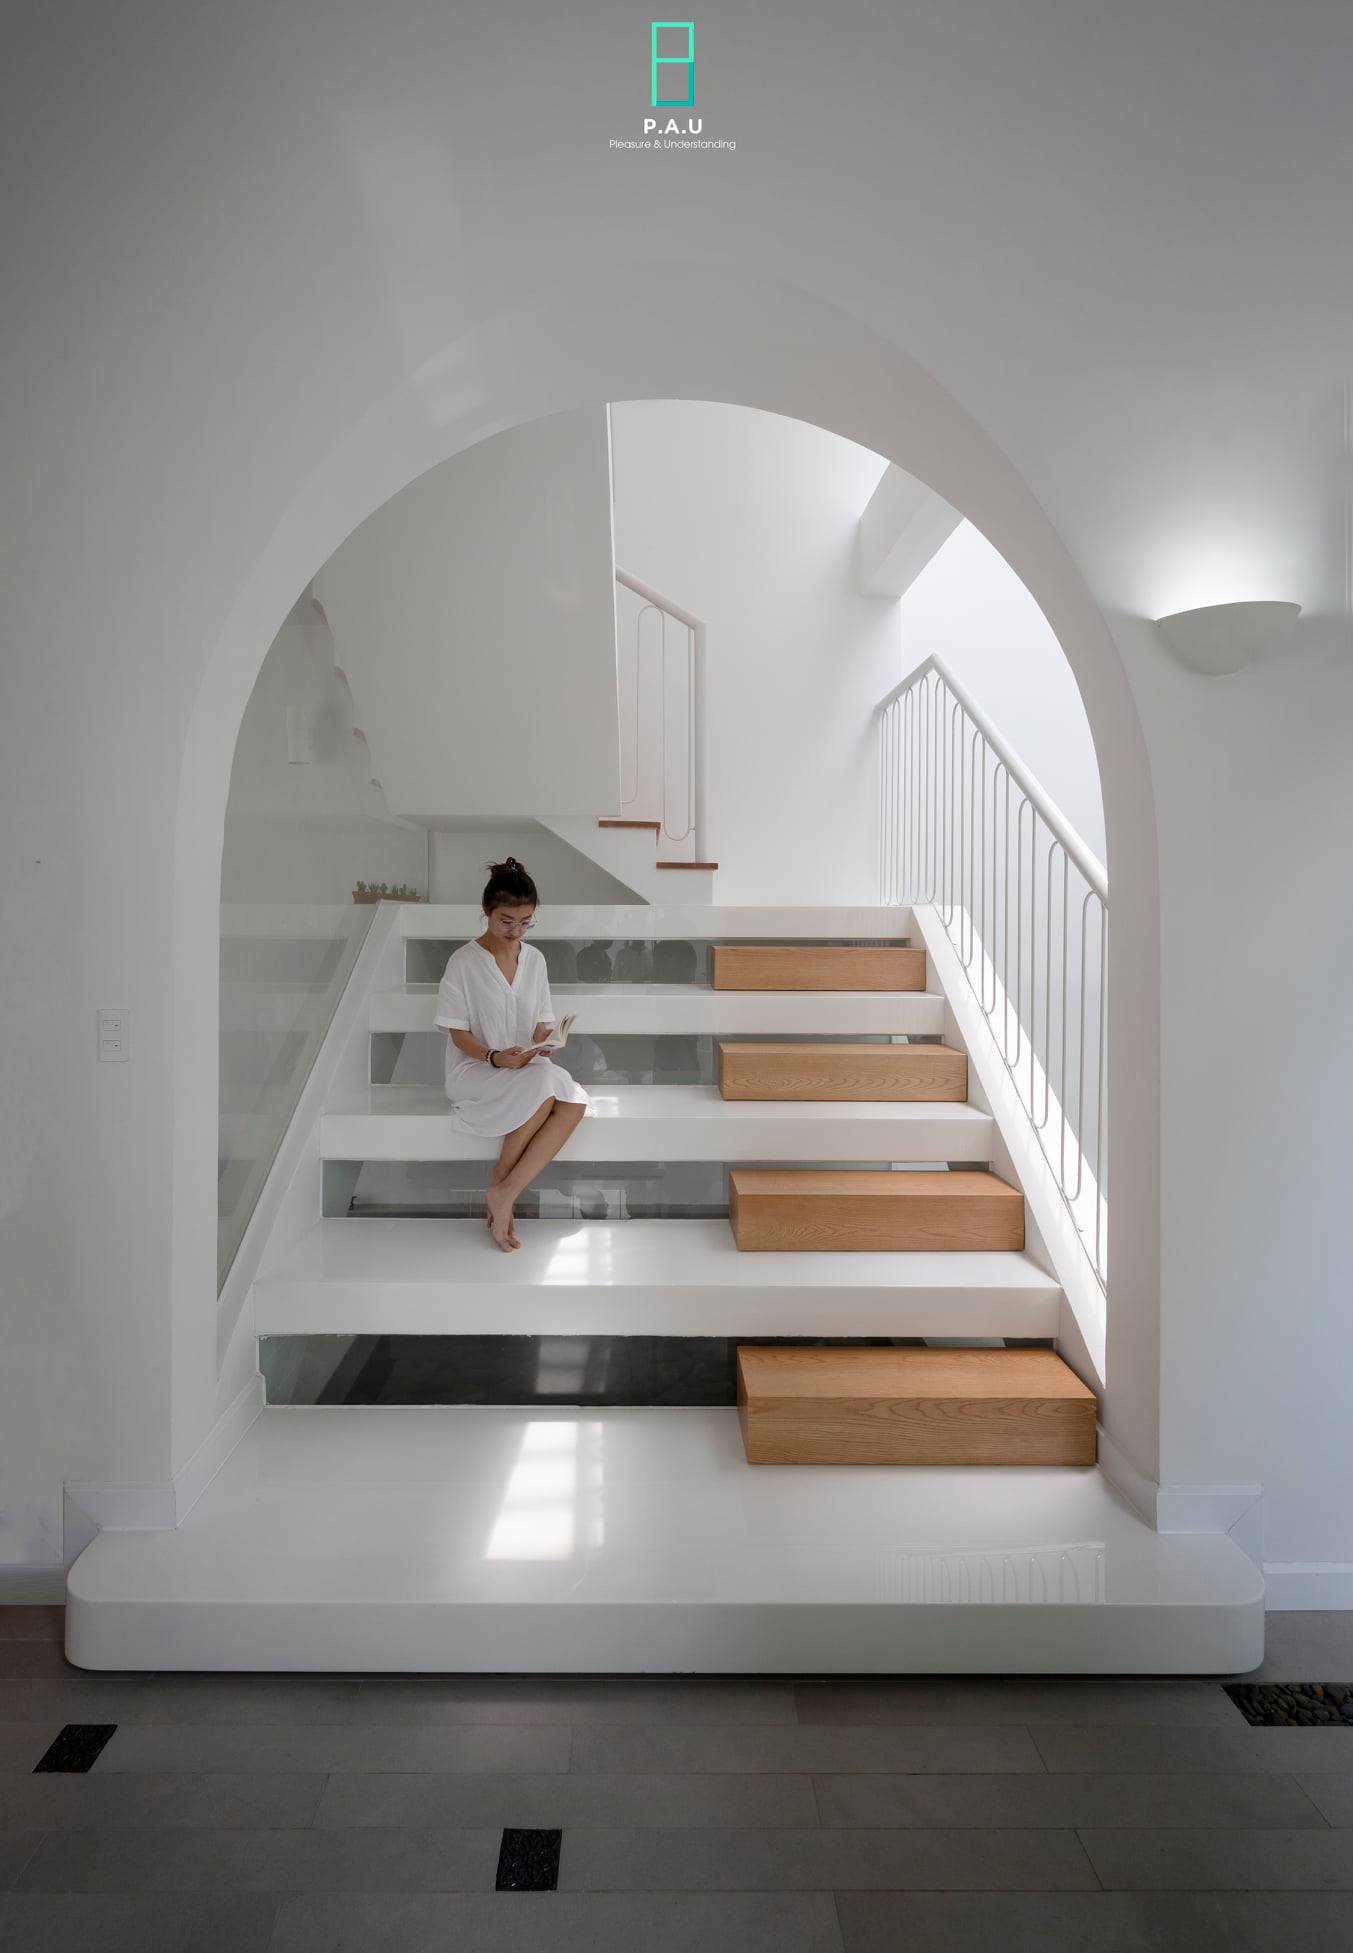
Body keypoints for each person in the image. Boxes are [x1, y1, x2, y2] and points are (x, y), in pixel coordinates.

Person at [434, 857, 590, 1251]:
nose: (515, 930)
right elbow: (457, 1033)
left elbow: (538, 1024)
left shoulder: (535, 960)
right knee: (548, 1086)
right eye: (506, 921)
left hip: (524, 1065)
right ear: (486, 911)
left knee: (572, 1101)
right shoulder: (463, 962)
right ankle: (501, 1185)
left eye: (525, 922)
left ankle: (504, 1189)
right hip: (476, 1069)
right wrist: (494, 1057)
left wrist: (546, 1038)